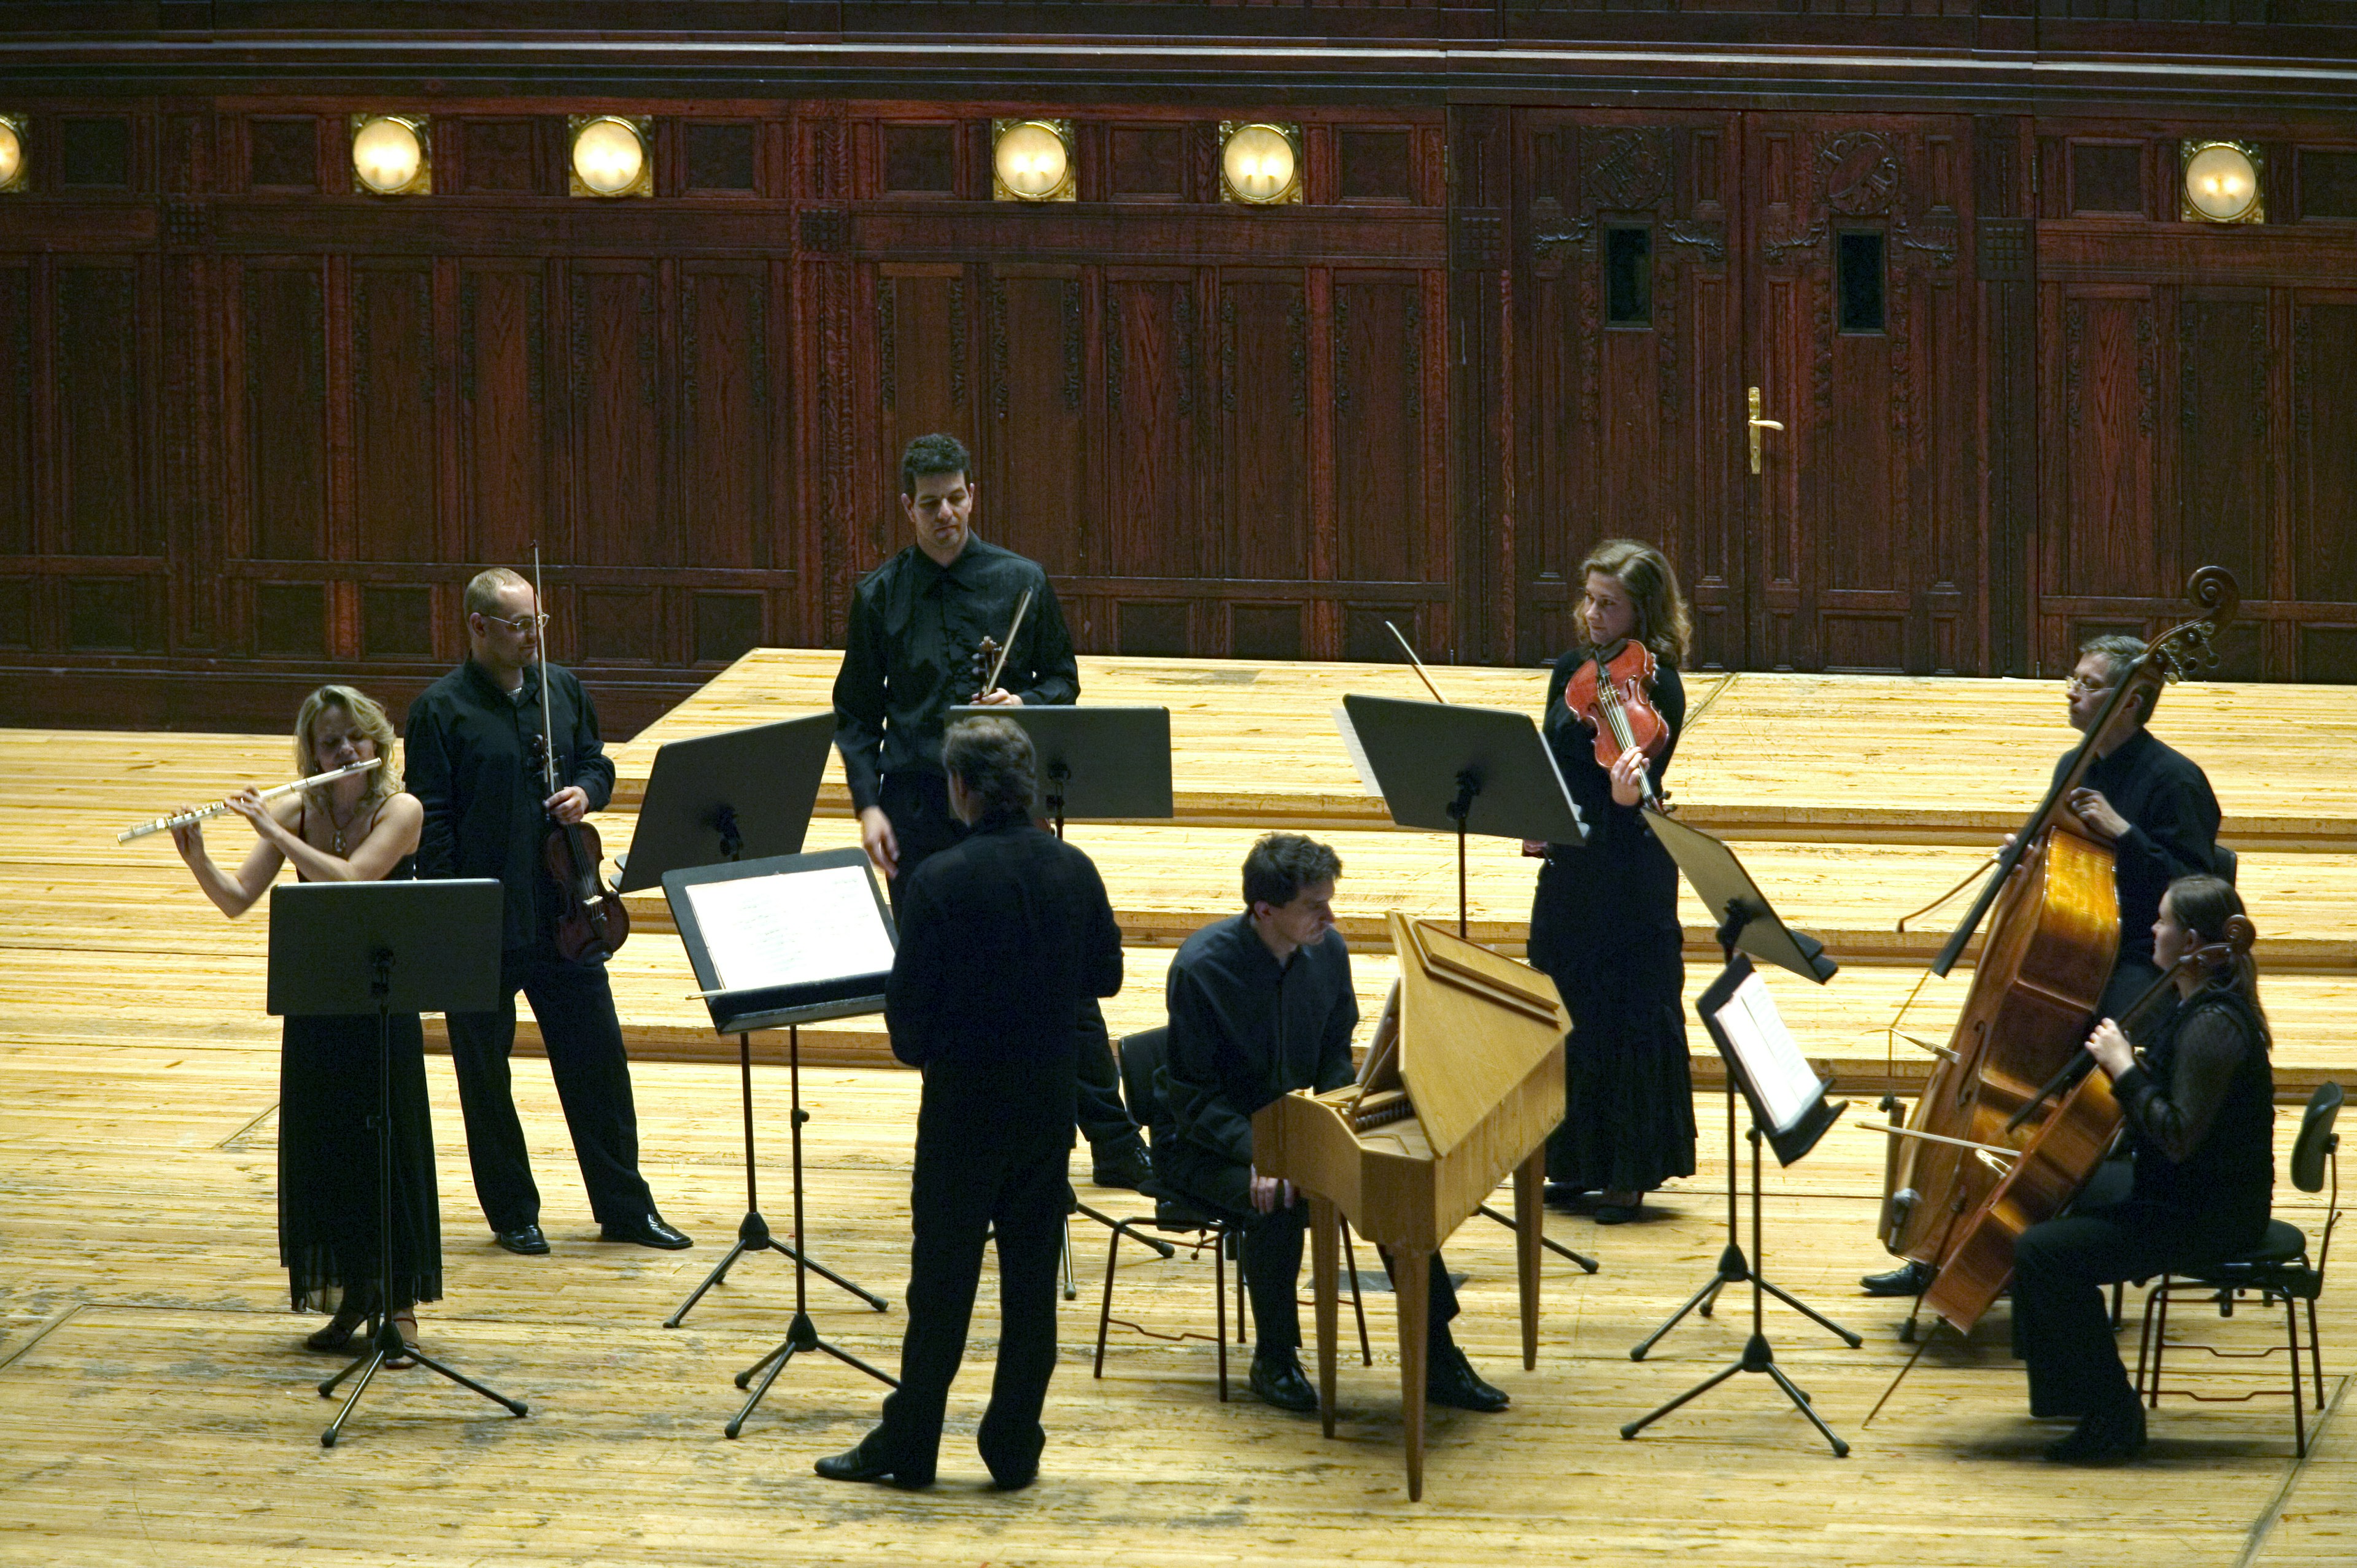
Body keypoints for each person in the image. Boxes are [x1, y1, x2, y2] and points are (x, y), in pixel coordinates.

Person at [832, 431, 1153, 1194]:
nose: (945, 513)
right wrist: (869, 807)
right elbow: (853, 716)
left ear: (973, 495)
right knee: (935, 979)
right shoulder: (879, 594)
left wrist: (1025, 700)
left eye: (956, 498)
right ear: (906, 506)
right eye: (929, 503)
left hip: (1005, 806)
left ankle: (1113, 1143)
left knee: (1063, 976)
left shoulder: (1022, 581)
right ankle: (963, 1144)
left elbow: (1063, 680)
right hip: (915, 805)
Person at [816, 717, 1124, 1491]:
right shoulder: (1075, 868)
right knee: (1030, 1283)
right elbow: (1107, 977)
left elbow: (908, 1023)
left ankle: (912, 1444)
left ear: (960, 788)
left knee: (942, 1283)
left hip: (963, 1108)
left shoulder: (939, 880)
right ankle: (1013, 1443)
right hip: (1048, 1103)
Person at [1864, 630, 2222, 1295]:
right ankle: (1940, 1245)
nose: (2071, 689)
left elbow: (2201, 891)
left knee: (2078, 1094)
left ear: (2130, 700)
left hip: (2142, 959)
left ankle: (2047, 1252)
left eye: (2087, 683)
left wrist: (2127, 835)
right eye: (2073, 677)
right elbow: (2070, 872)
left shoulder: (2175, 780)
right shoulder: (2073, 765)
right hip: (2068, 954)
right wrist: (2029, 859)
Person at [1155, 833, 1510, 1416]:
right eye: (1314, 905)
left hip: (1295, 1126)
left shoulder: (1328, 951)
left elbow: (1332, 1057)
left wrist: (1346, 1124)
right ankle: (1275, 1355)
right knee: (1283, 1196)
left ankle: (1436, 1353)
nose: (1331, 915)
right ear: (1265, 910)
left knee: (1392, 1181)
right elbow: (1191, 1098)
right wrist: (1264, 1155)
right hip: (1205, 1142)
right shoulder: (1202, 969)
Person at [405, 567, 689, 1257]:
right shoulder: (439, 711)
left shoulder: (561, 688)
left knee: (599, 1062)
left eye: (538, 622)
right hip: (485, 919)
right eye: (519, 624)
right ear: (478, 626)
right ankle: (512, 1211)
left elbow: (598, 763)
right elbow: (431, 822)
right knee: (484, 1072)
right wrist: (453, 913)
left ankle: (625, 1204)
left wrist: (586, 795)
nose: (534, 635)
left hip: (567, 914)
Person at [169, 685, 438, 1364]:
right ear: (311, 750)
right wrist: (197, 853)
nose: (345, 749)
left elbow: (352, 879)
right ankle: (353, 1294)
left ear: (377, 742)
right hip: (319, 996)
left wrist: (276, 832)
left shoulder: (401, 808)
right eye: (329, 741)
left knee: (388, 1144)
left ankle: (399, 1307)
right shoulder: (300, 806)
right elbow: (236, 900)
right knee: (328, 1146)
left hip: (381, 999)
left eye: (355, 737)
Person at [2010, 874, 2274, 1462]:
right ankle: (2070, 1393)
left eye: (2162, 920)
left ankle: (2113, 1415)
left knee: (2042, 1251)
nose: (2151, 929)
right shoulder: (2192, 1006)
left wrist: (2125, 1069)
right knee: (2055, 1199)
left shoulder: (2214, 1024)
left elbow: (2178, 1136)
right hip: (2184, 1196)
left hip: (2206, 1215)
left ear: (2192, 940)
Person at [1522, 539, 1695, 1226]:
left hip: (1630, 871)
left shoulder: (1662, 684)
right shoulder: (1572, 669)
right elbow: (1557, 759)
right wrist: (1537, 811)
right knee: (1570, 1007)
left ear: (1642, 611)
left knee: (1628, 1016)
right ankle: (1577, 1160)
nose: (1592, 613)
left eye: (1609, 603)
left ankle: (1630, 1169)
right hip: (1572, 865)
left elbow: (1639, 792)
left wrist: (1624, 801)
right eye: (1589, 598)